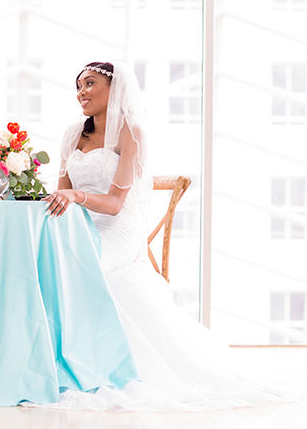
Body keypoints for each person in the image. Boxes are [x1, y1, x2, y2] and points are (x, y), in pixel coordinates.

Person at [40, 61, 304, 411]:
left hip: (117, 228)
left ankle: (94, 366)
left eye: (89, 84)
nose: (81, 92)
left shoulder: (131, 132)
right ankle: (49, 364)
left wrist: (76, 196)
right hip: (79, 226)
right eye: (78, 86)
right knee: (43, 265)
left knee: (84, 269)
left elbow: (116, 204)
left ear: (115, 89)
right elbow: (62, 192)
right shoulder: (73, 134)